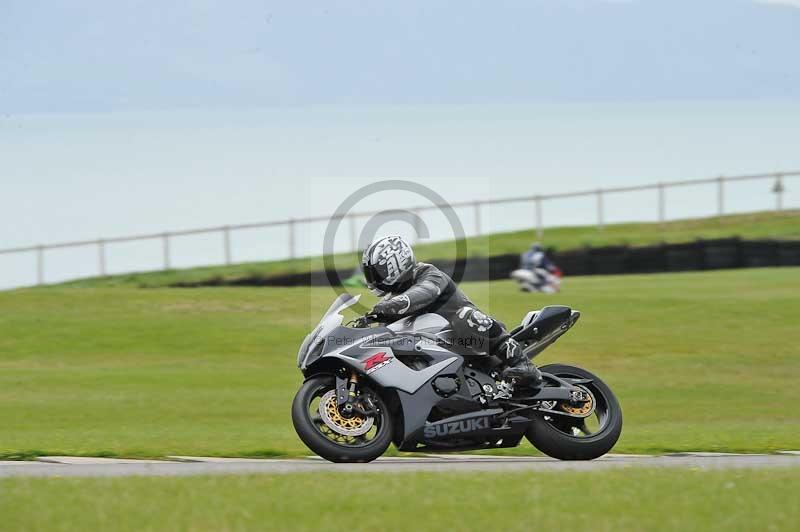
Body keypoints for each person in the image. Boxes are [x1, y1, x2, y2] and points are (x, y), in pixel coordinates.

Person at [361, 235, 542, 386]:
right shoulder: (391, 301)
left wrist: (384, 308)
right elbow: (383, 333)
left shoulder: (428, 274)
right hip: (439, 352)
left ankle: (523, 364)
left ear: (393, 264)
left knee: (464, 316)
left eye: (374, 272)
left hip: (475, 339)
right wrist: (363, 328)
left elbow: (422, 293)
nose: (372, 279)